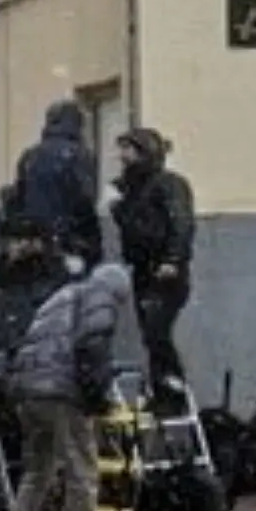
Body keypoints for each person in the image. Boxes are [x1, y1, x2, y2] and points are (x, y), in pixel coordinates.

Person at [0, 263, 132, 511]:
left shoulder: (62, 296)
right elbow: (91, 349)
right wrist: (98, 398)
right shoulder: (100, 299)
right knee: (82, 470)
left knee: (38, 471)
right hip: (61, 393)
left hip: (27, 390)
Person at [0, 215, 71, 485]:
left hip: (41, 361)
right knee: (10, 425)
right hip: (12, 358)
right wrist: (5, 259)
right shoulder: (7, 271)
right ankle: (19, 481)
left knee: (41, 433)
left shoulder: (54, 270)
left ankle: (41, 488)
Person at [109, 127, 195, 412]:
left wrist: (172, 259)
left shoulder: (168, 185)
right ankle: (164, 390)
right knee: (151, 334)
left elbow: (180, 223)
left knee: (157, 332)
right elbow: (138, 229)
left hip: (164, 271)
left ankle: (171, 391)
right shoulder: (133, 190)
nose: (122, 155)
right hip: (145, 269)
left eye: (128, 149)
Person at [14, 100, 103, 267]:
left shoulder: (30, 155)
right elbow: (85, 198)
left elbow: (19, 196)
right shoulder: (79, 154)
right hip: (70, 238)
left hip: (36, 240)